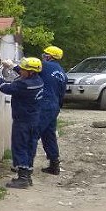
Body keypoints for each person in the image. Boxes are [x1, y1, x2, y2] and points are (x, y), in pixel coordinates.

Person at [0, 56, 44, 189]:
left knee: (20, 147)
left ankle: (22, 178)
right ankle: (28, 175)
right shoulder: (38, 80)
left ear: (31, 72)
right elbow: (23, 73)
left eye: (24, 69)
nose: (22, 71)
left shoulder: (24, 85)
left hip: (23, 121)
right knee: (30, 147)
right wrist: (12, 66)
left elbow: (6, 88)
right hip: (35, 120)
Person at [36, 46, 67, 175]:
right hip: (54, 106)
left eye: (45, 54)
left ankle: (23, 167)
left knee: (32, 133)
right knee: (49, 135)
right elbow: (62, 93)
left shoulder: (44, 65)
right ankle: (54, 165)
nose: (43, 56)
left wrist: (12, 66)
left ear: (49, 56)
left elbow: (28, 71)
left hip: (44, 104)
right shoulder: (62, 73)